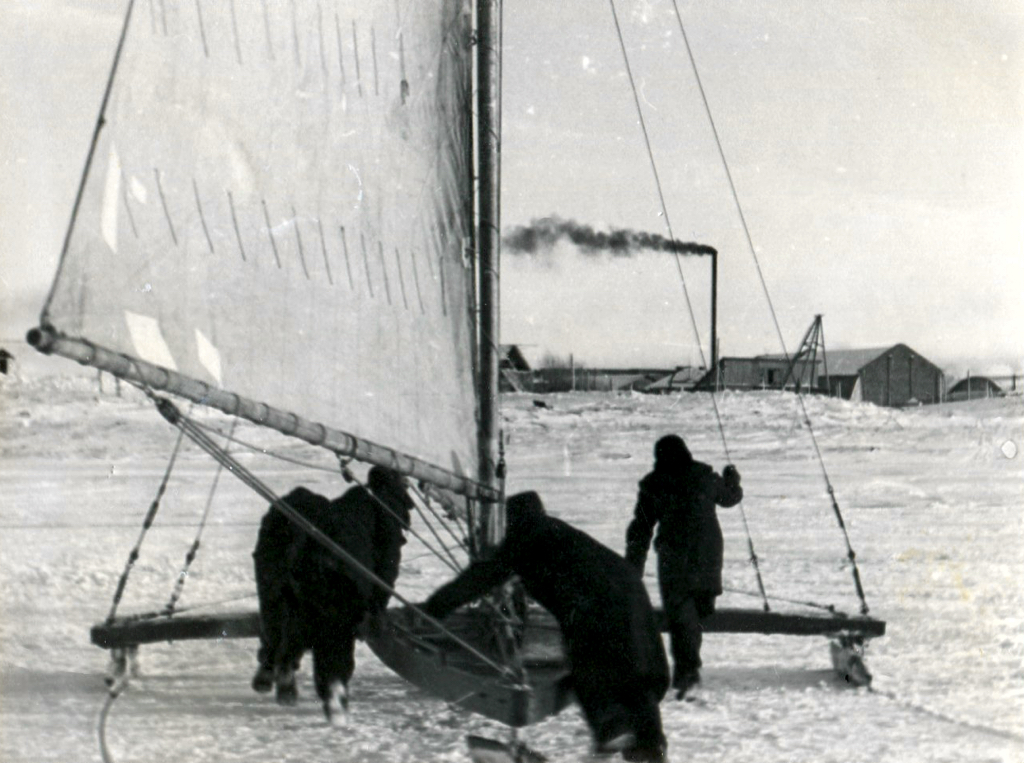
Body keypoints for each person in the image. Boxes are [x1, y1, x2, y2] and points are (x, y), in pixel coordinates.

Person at [420, 491, 669, 762]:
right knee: (636, 668)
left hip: (595, 605)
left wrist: (434, 608)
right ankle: (647, 747)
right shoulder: (555, 531)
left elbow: (480, 578)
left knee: (589, 663)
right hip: (632, 593)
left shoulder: (525, 537)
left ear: (512, 521)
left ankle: (614, 731)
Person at [251, 466, 413, 723]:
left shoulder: (346, 503)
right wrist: (375, 609)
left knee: (301, 617)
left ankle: (283, 664)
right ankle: (334, 690)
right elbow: (386, 570)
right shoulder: (387, 514)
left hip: (310, 571)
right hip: (350, 582)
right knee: (337, 637)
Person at [624, 434, 743, 699]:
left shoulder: (654, 485)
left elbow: (640, 529)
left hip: (674, 557)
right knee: (695, 614)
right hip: (708, 555)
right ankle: (688, 672)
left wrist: (633, 569)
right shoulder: (706, 478)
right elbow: (731, 497)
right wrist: (732, 477)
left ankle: (688, 674)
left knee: (681, 615)